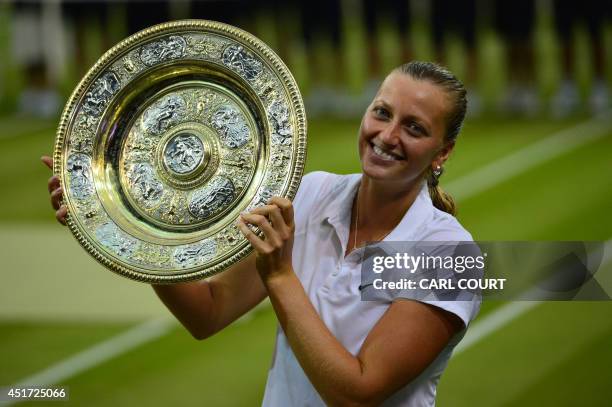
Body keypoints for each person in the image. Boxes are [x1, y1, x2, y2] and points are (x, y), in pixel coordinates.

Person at [43, 61, 480, 406]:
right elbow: (208, 313)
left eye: (414, 127)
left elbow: (356, 394)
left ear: (443, 152)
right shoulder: (310, 193)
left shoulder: (447, 255)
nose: (387, 135)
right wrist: (122, 225)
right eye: (382, 113)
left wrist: (280, 277)